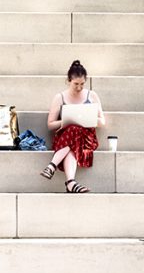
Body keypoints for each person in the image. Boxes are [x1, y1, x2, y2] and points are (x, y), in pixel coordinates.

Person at [39, 61, 106, 193]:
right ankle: (70, 182)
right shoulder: (60, 97)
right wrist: (65, 122)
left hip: (86, 137)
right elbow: (50, 124)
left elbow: (102, 121)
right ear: (69, 81)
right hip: (65, 137)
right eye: (76, 84)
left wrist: (87, 119)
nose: (79, 87)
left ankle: (52, 166)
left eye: (82, 84)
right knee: (72, 132)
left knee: (75, 130)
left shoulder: (91, 96)